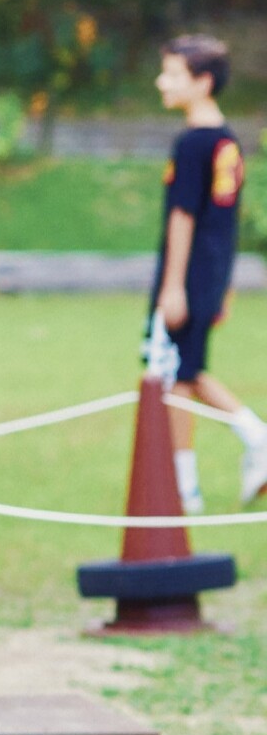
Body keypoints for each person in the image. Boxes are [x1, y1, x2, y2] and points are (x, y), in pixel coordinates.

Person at [146, 34, 265, 510]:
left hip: (188, 274)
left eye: (173, 74)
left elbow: (185, 216)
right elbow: (228, 221)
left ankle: (252, 439)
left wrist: (173, 285)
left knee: (178, 373)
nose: (162, 82)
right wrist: (224, 285)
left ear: (203, 82)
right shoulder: (228, 140)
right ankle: (185, 486)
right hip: (211, 272)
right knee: (182, 375)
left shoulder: (194, 142)